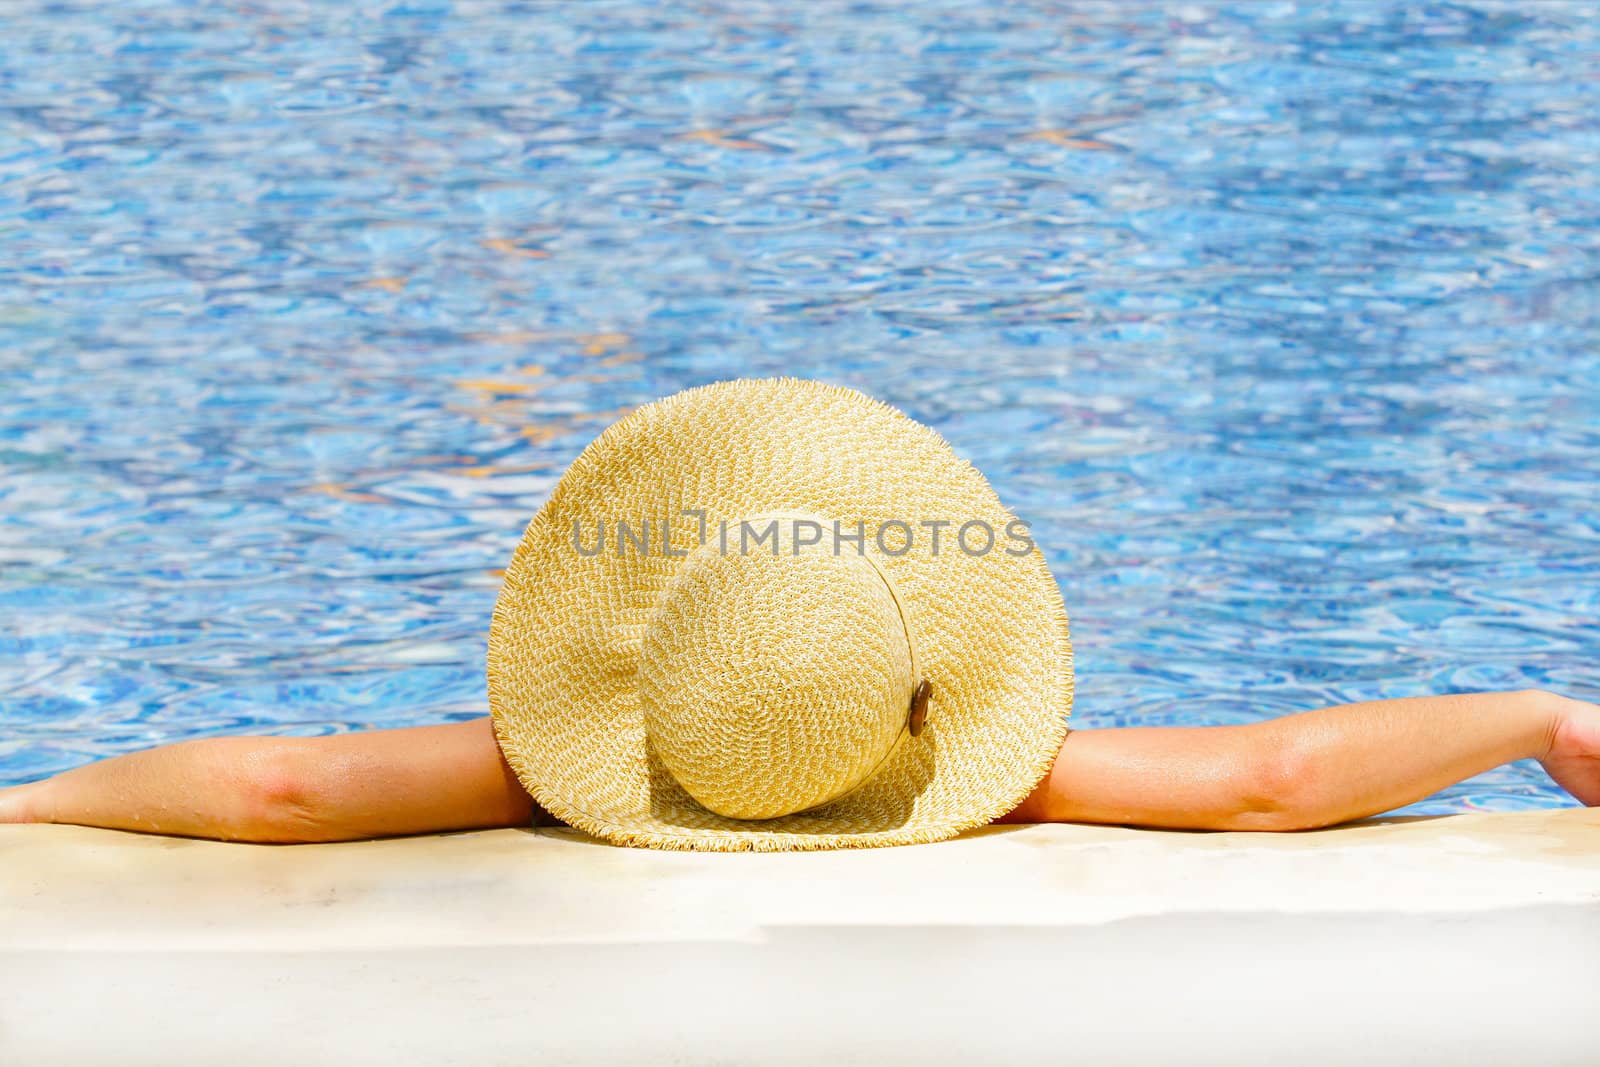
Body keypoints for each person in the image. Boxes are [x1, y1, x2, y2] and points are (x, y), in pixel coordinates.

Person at [4, 379, 1596, 847]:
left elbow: (279, 785)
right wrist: (1535, 720)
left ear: (642, 671)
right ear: (923, 701)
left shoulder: (534, 786)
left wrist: (29, 802)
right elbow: (1274, 778)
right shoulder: (1008, 788)